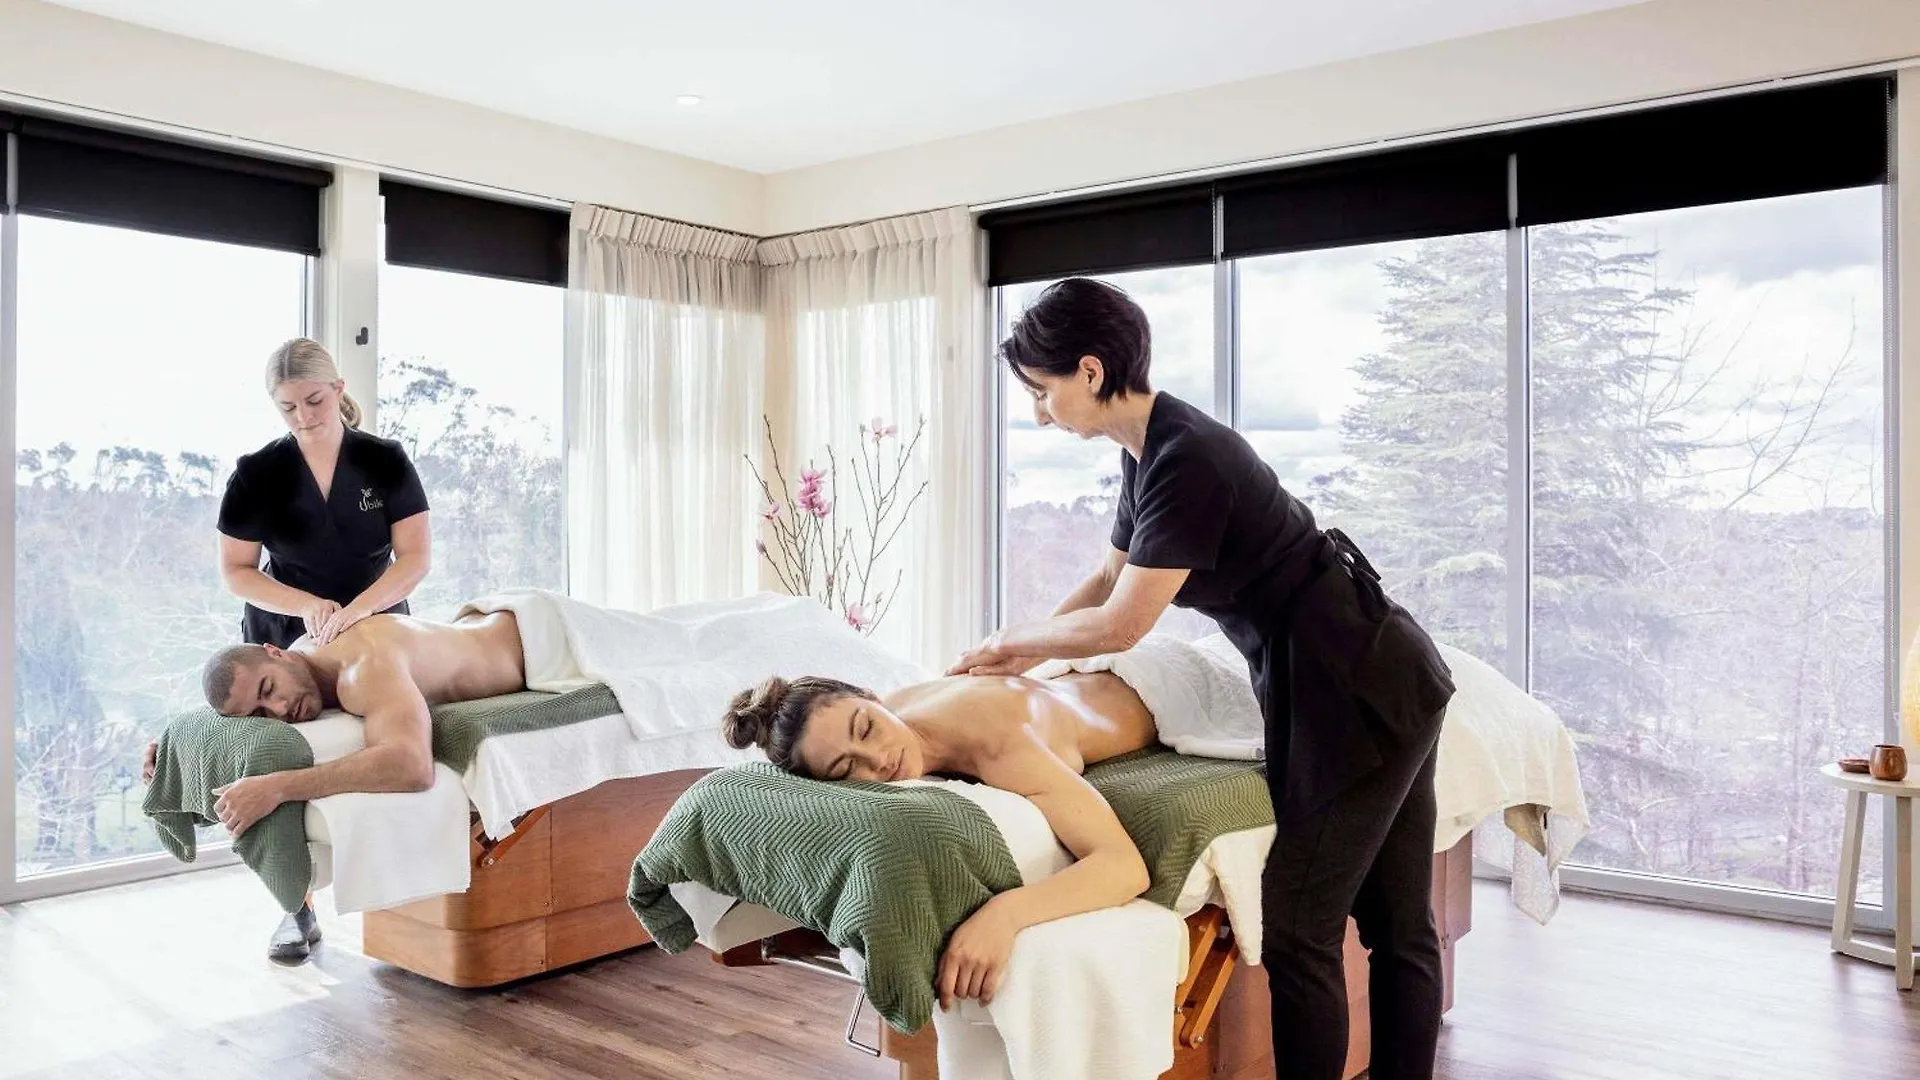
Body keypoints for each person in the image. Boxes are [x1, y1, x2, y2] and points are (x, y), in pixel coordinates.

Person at [944, 278, 1456, 1080]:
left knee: (1304, 928)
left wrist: (1015, 641)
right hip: (1370, 671)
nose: (1039, 413)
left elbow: (1124, 623)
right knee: (1399, 926)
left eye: (1042, 391)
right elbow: (1107, 580)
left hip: (1359, 687)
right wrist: (1016, 659)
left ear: (1089, 370)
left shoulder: (1188, 459)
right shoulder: (1149, 452)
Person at [723, 667, 1154, 1012]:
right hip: (1076, 679)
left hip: (1150, 687)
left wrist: (1004, 915)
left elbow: (1123, 866)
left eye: (867, 729)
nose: (878, 760)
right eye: (845, 769)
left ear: (872, 697)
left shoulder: (1001, 746)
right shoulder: (892, 711)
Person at [140, 606, 521, 963]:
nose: (279, 711)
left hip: (530, 639)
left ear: (277, 652)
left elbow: (412, 765)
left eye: (269, 690)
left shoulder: (365, 668)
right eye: (259, 714)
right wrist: (172, 750)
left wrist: (279, 787)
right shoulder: (300, 664)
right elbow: (232, 707)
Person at [218, 338, 431, 652]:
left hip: (376, 625)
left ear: (338, 388)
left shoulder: (386, 460)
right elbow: (236, 570)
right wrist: (306, 606)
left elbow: (415, 557)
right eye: (288, 408)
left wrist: (362, 608)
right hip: (284, 637)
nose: (303, 417)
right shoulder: (255, 474)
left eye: (314, 400)